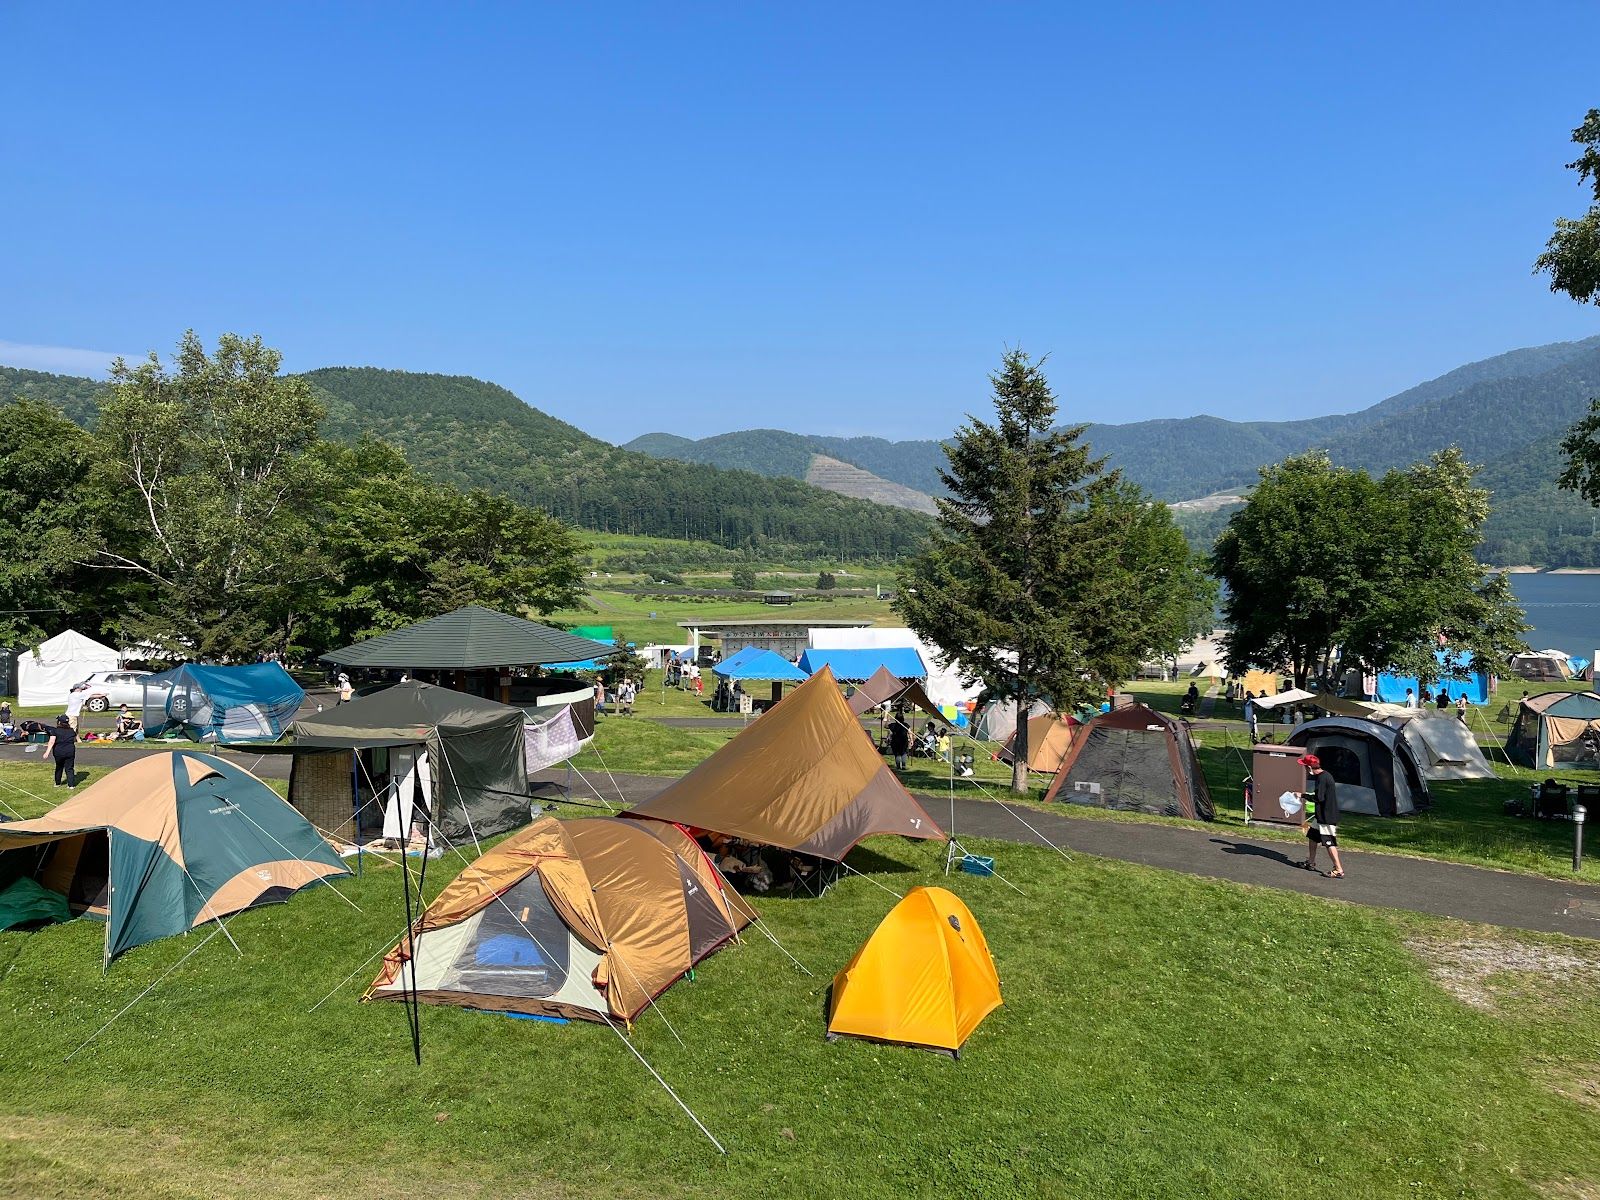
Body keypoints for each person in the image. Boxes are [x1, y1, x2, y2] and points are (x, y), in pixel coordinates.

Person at [1296, 753, 1344, 879]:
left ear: (1309, 767)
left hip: (1327, 817)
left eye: (1305, 766)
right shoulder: (1323, 776)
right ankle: (1310, 862)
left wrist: (1302, 795)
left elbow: (1319, 798)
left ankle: (1338, 869)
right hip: (1321, 815)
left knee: (1329, 842)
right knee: (1312, 836)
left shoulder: (1322, 778)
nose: (1304, 769)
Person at [43, 715, 78, 788]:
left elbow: (51, 741)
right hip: (70, 751)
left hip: (59, 751)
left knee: (59, 767)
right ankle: (71, 785)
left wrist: (47, 752)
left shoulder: (55, 731)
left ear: (59, 722)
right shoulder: (71, 731)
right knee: (69, 768)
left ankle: (57, 783)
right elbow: (74, 739)